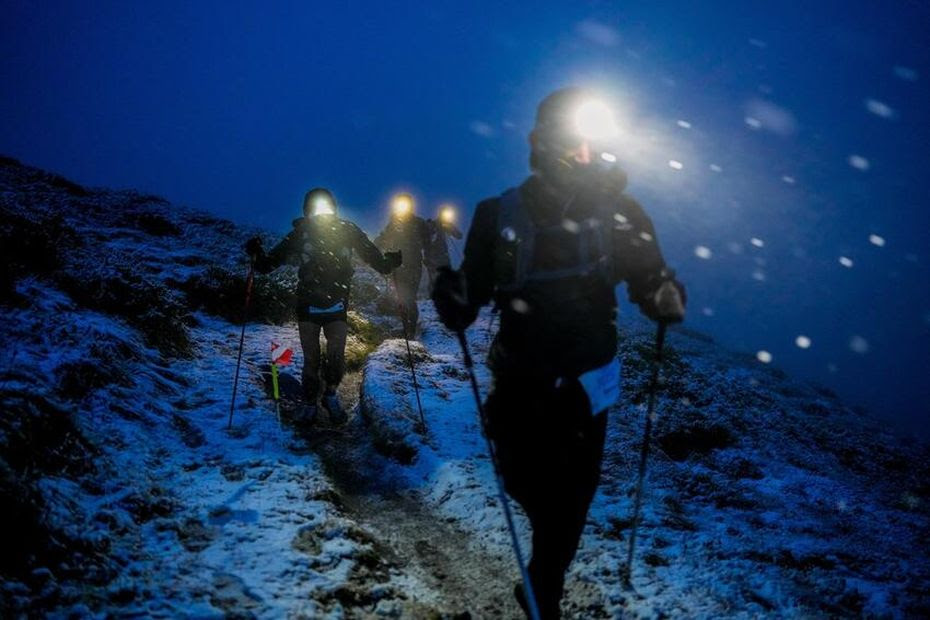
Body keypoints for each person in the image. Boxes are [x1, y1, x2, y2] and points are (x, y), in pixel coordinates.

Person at [432, 87, 686, 618]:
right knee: (528, 484)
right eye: (567, 139)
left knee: (573, 497)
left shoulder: (620, 214)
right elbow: (472, 293)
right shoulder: (497, 216)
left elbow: (651, 279)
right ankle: (544, 578)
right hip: (521, 380)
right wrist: (455, 297)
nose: (580, 151)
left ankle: (543, 590)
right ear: (539, 143)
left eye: (588, 140)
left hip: (589, 383)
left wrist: (665, 297)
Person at [245, 187, 401, 425]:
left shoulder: (347, 230)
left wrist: (388, 262)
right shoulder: (301, 232)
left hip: (335, 302)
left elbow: (375, 259)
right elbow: (268, 265)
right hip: (308, 303)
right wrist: (256, 254)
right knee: (311, 358)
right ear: (308, 210)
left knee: (336, 355)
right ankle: (309, 403)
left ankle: (329, 395)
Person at [375, 192, 430, 334]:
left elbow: (428, 241)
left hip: (413, 265)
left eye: (405, 204)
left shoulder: (419, 223)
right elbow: (384, 237)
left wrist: (427, 256)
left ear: (411, 206)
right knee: (401, 299)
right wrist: (373, 248)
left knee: (409, 298)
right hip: (398, 267)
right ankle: (407, 328)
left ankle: (410, 332)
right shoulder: (393, 223)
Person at [424, 204, 463, 287]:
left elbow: (459, 235)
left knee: (446, 277)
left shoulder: (446, 224)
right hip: (433, 256)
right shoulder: (433, 224)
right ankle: (434, 295)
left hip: (443, 255)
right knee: (434, 279)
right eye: (444, 214)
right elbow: (427, 239)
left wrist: (450, 227)